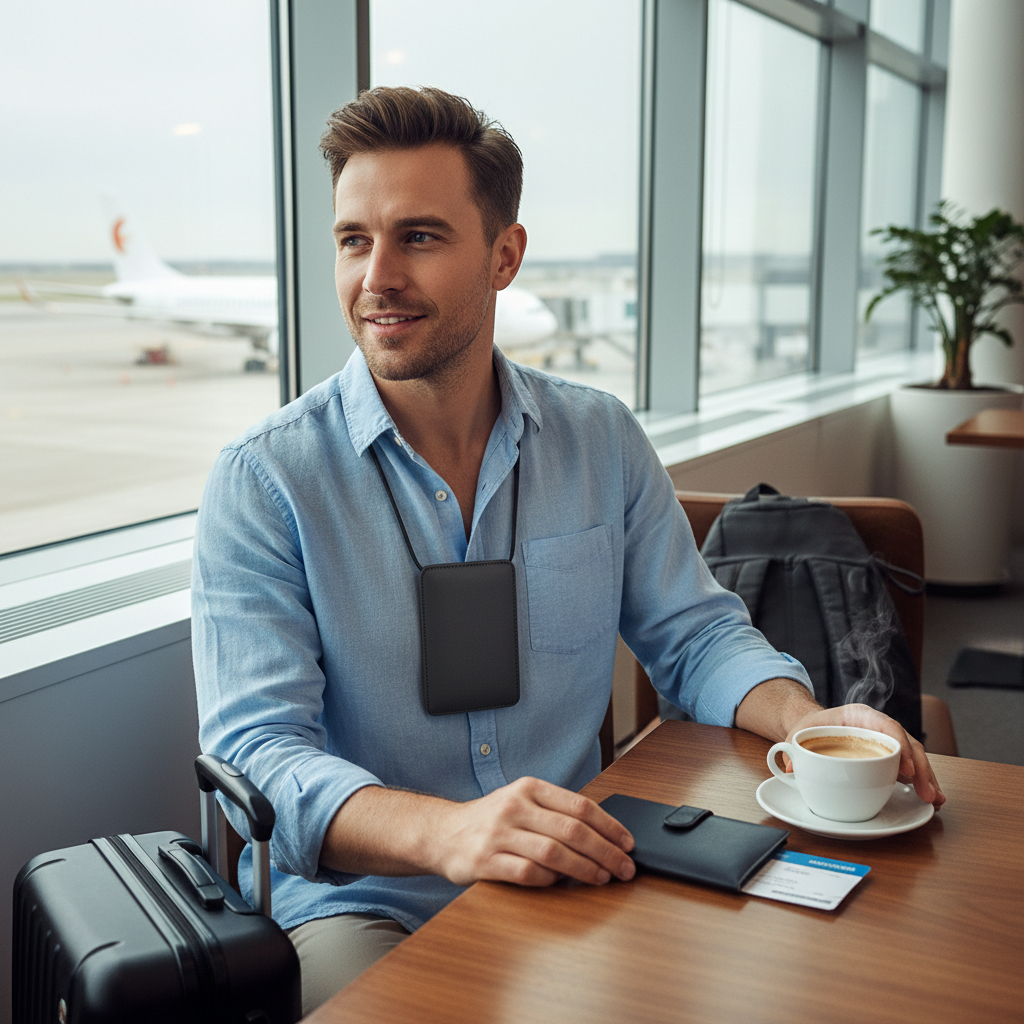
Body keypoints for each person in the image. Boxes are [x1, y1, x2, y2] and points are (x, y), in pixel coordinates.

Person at [191, 85, 944, 1013]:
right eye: (355, 239)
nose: (375, 276)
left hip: (584, 870)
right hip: (367, 903)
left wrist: (810, 721)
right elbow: (258, 754)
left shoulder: (600, 439)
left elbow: (697, 635)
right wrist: (450, 835)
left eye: (419, 236)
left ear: (504, 256)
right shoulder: (265, 482)